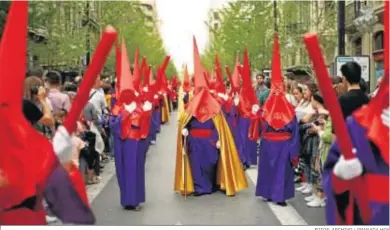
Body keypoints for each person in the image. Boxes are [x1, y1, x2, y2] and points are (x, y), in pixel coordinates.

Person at [174, 37, 247, 197]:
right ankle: (199, 187)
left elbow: (219, 125)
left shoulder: (215, 106)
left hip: (211, 140)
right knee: (196, 165)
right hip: (195, 140)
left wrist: (219, 139)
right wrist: (184, 131)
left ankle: (212, 184)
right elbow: (184, 122)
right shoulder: (191, 105)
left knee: (211, 163)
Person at [256, 34, 299, 206]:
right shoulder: (289, 110)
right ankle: (277, 195)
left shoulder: (266, 109)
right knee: (279, 170)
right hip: (281, 144)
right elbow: (294, 131)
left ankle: (269, 193)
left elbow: (259, 125)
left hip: (270, 143)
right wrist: (294, 150)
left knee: (271, 168)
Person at [110, 41, 152, 210]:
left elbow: (145, 123)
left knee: (135, 170)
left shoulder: (139, 106)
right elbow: (113, 124)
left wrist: (145, 112)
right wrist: (125, 115)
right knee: (123, 171)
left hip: (135, 141)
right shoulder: (118, 107)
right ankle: (126, 199)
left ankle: (134, 200)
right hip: (122, 141)